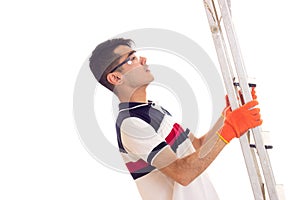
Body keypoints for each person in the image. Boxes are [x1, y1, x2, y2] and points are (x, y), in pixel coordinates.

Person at [89, 38, 262, 200]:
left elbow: (197, 147)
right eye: (132, 59)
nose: (143, 59)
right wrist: (231, 129)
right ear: (116, 78)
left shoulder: (153, 110)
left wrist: (227, 115)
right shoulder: (131, 124)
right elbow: (182, 173)